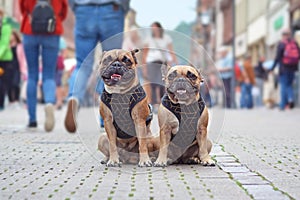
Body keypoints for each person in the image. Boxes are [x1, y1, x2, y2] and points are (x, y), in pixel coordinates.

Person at [65, 0, 130, 133]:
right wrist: (123, 7)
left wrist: (77, 6)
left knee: (82, 64)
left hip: (84, 10)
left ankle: (74, 97)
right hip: (112, 9)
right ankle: (105, 117)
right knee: (112, 64)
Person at [19, 0, 68, 130]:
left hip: (30, 30)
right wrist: (54, 18)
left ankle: (32, 119)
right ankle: (49, 103)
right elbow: (64, 10)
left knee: (32, 75)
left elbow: (22, 7)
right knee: (49, 75)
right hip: (52, 31)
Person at [142, 22, 177, 109]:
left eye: (155, 28)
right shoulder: (148, 39)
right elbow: (145, 53)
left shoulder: (166, 38)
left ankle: (163, 101)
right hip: (151, 62)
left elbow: (171, 50)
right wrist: (144, 67)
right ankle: (154, 104)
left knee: (162, 82)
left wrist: (174, 61)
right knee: (153, 83)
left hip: (162, 62)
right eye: (152, 28)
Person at [270, 28, 300, 110]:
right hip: (293, 68)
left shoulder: (282, 44)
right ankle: (290, 99)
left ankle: (282, 105)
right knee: (289, 85)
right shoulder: (295, 43)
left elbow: (277, 58)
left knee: (283, 86)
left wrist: (272, 68)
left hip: (284, 68)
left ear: (283, 35)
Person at [0, 8, 13, 111]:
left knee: (2, 82)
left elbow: (4, 43)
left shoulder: (6, 26)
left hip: (4, 59)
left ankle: (1, 103)